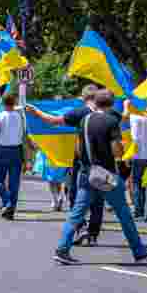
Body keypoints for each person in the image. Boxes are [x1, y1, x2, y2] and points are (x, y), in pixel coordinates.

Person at [54, 90, 147, 264]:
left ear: (95, 102)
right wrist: (122, 149)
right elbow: (116, 150)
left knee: (76, 214)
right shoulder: (111, 121)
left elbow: (78, 148)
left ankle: (62, 249)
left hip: (87, 173)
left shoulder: (84, 120)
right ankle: (139, 251)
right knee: (124, 213)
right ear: (111, 104)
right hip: (106, 175)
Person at [27, 85, 104, 243]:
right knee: (98, 198)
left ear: (83, 98)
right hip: (103, 161)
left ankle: (80, 229)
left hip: (83, 161)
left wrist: (36, 112)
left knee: (75, 194)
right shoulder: (106, 113)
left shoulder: (81, 112)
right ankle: (93, 233)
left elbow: (54, 121)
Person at [0, 92, 24, 220]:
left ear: (3, 103)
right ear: (14, 103)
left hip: (3, 150)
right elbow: (22, 134)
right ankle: (11, 209)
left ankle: (7, 202)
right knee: (14, 182)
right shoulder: (19, 117)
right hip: (17, 150)